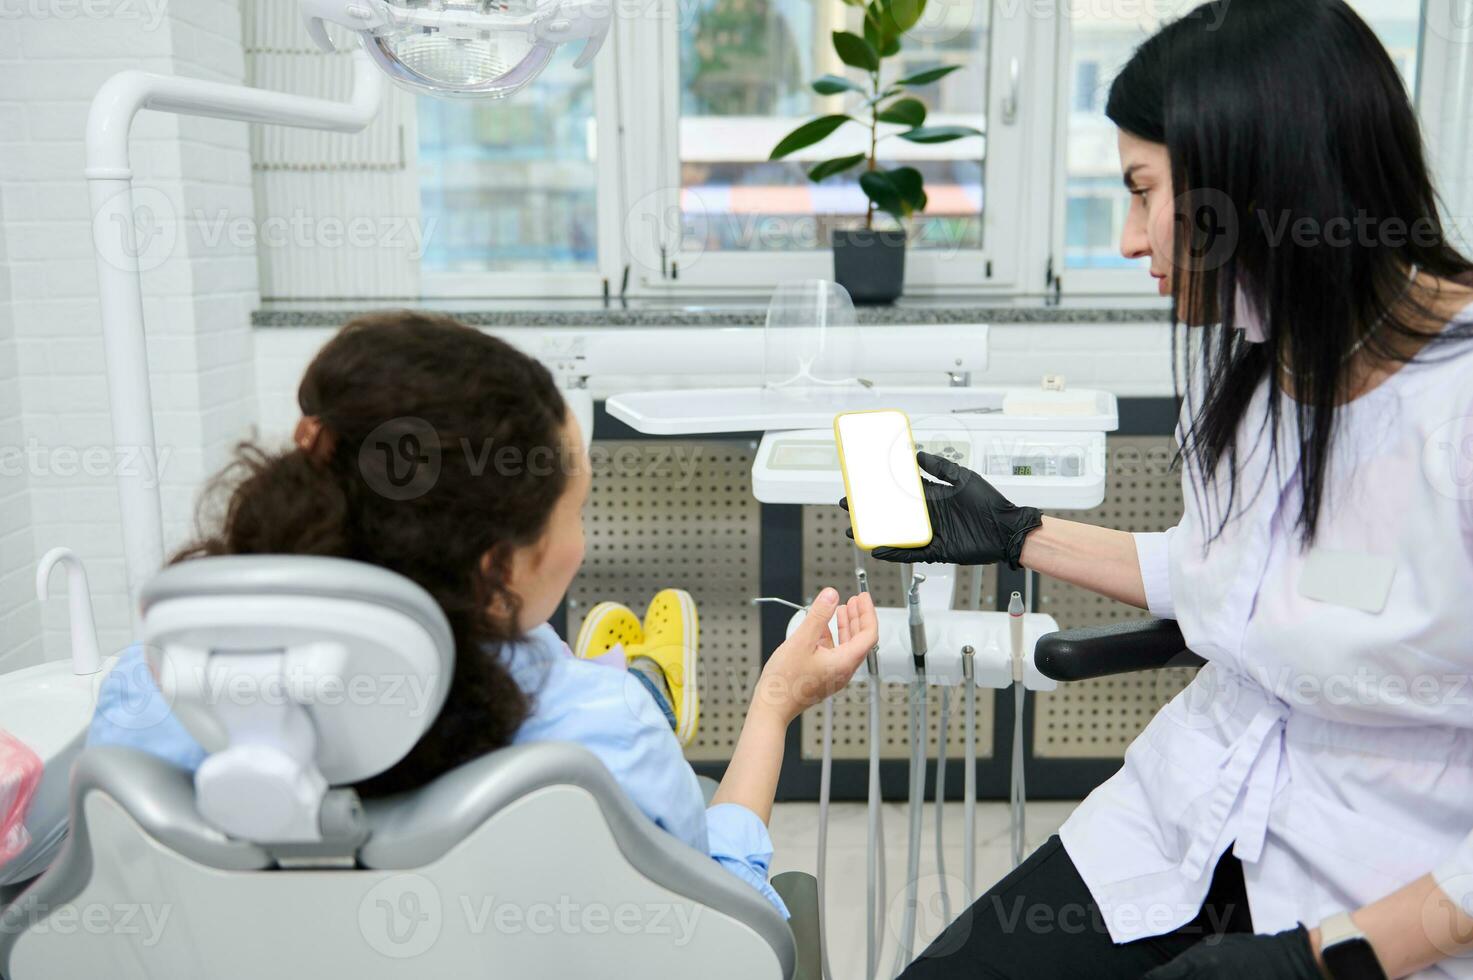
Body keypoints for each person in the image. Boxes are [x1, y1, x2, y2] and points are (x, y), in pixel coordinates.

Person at [871, 1, 1473, 976]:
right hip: (1190, 809)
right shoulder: (1268, 352)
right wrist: (1018, 531)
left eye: (1143, 190)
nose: (1127, 236)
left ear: (1255, 178)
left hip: (1382, 894)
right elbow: (1220, 576)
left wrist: (1325, 960)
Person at [88, 310, 878, 916]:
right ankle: (650, 682)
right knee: (623, 698)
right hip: (605, 719)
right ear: (501, 563)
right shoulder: (594, 736)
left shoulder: (152, 689)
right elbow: (723, 933)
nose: (581, 538)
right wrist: (774, 706)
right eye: (578, 510)